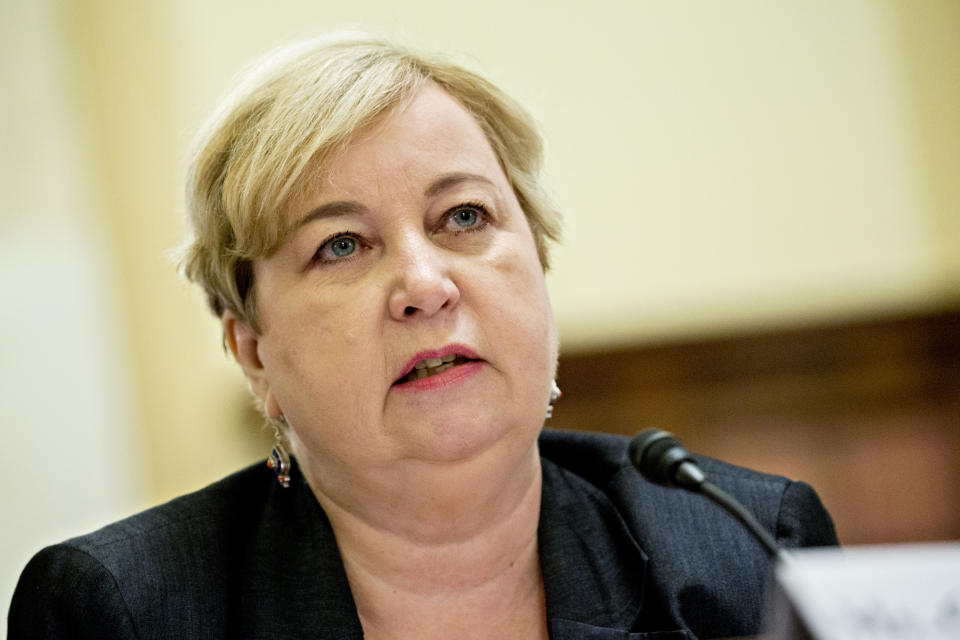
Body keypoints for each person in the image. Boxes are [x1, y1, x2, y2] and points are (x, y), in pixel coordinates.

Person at [9, 34, 837, 639]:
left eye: (464, 217)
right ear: (253, 351)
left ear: (540, 267)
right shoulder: (125, 610)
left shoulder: (747, 548)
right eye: (341, 245)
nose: (425, 286)